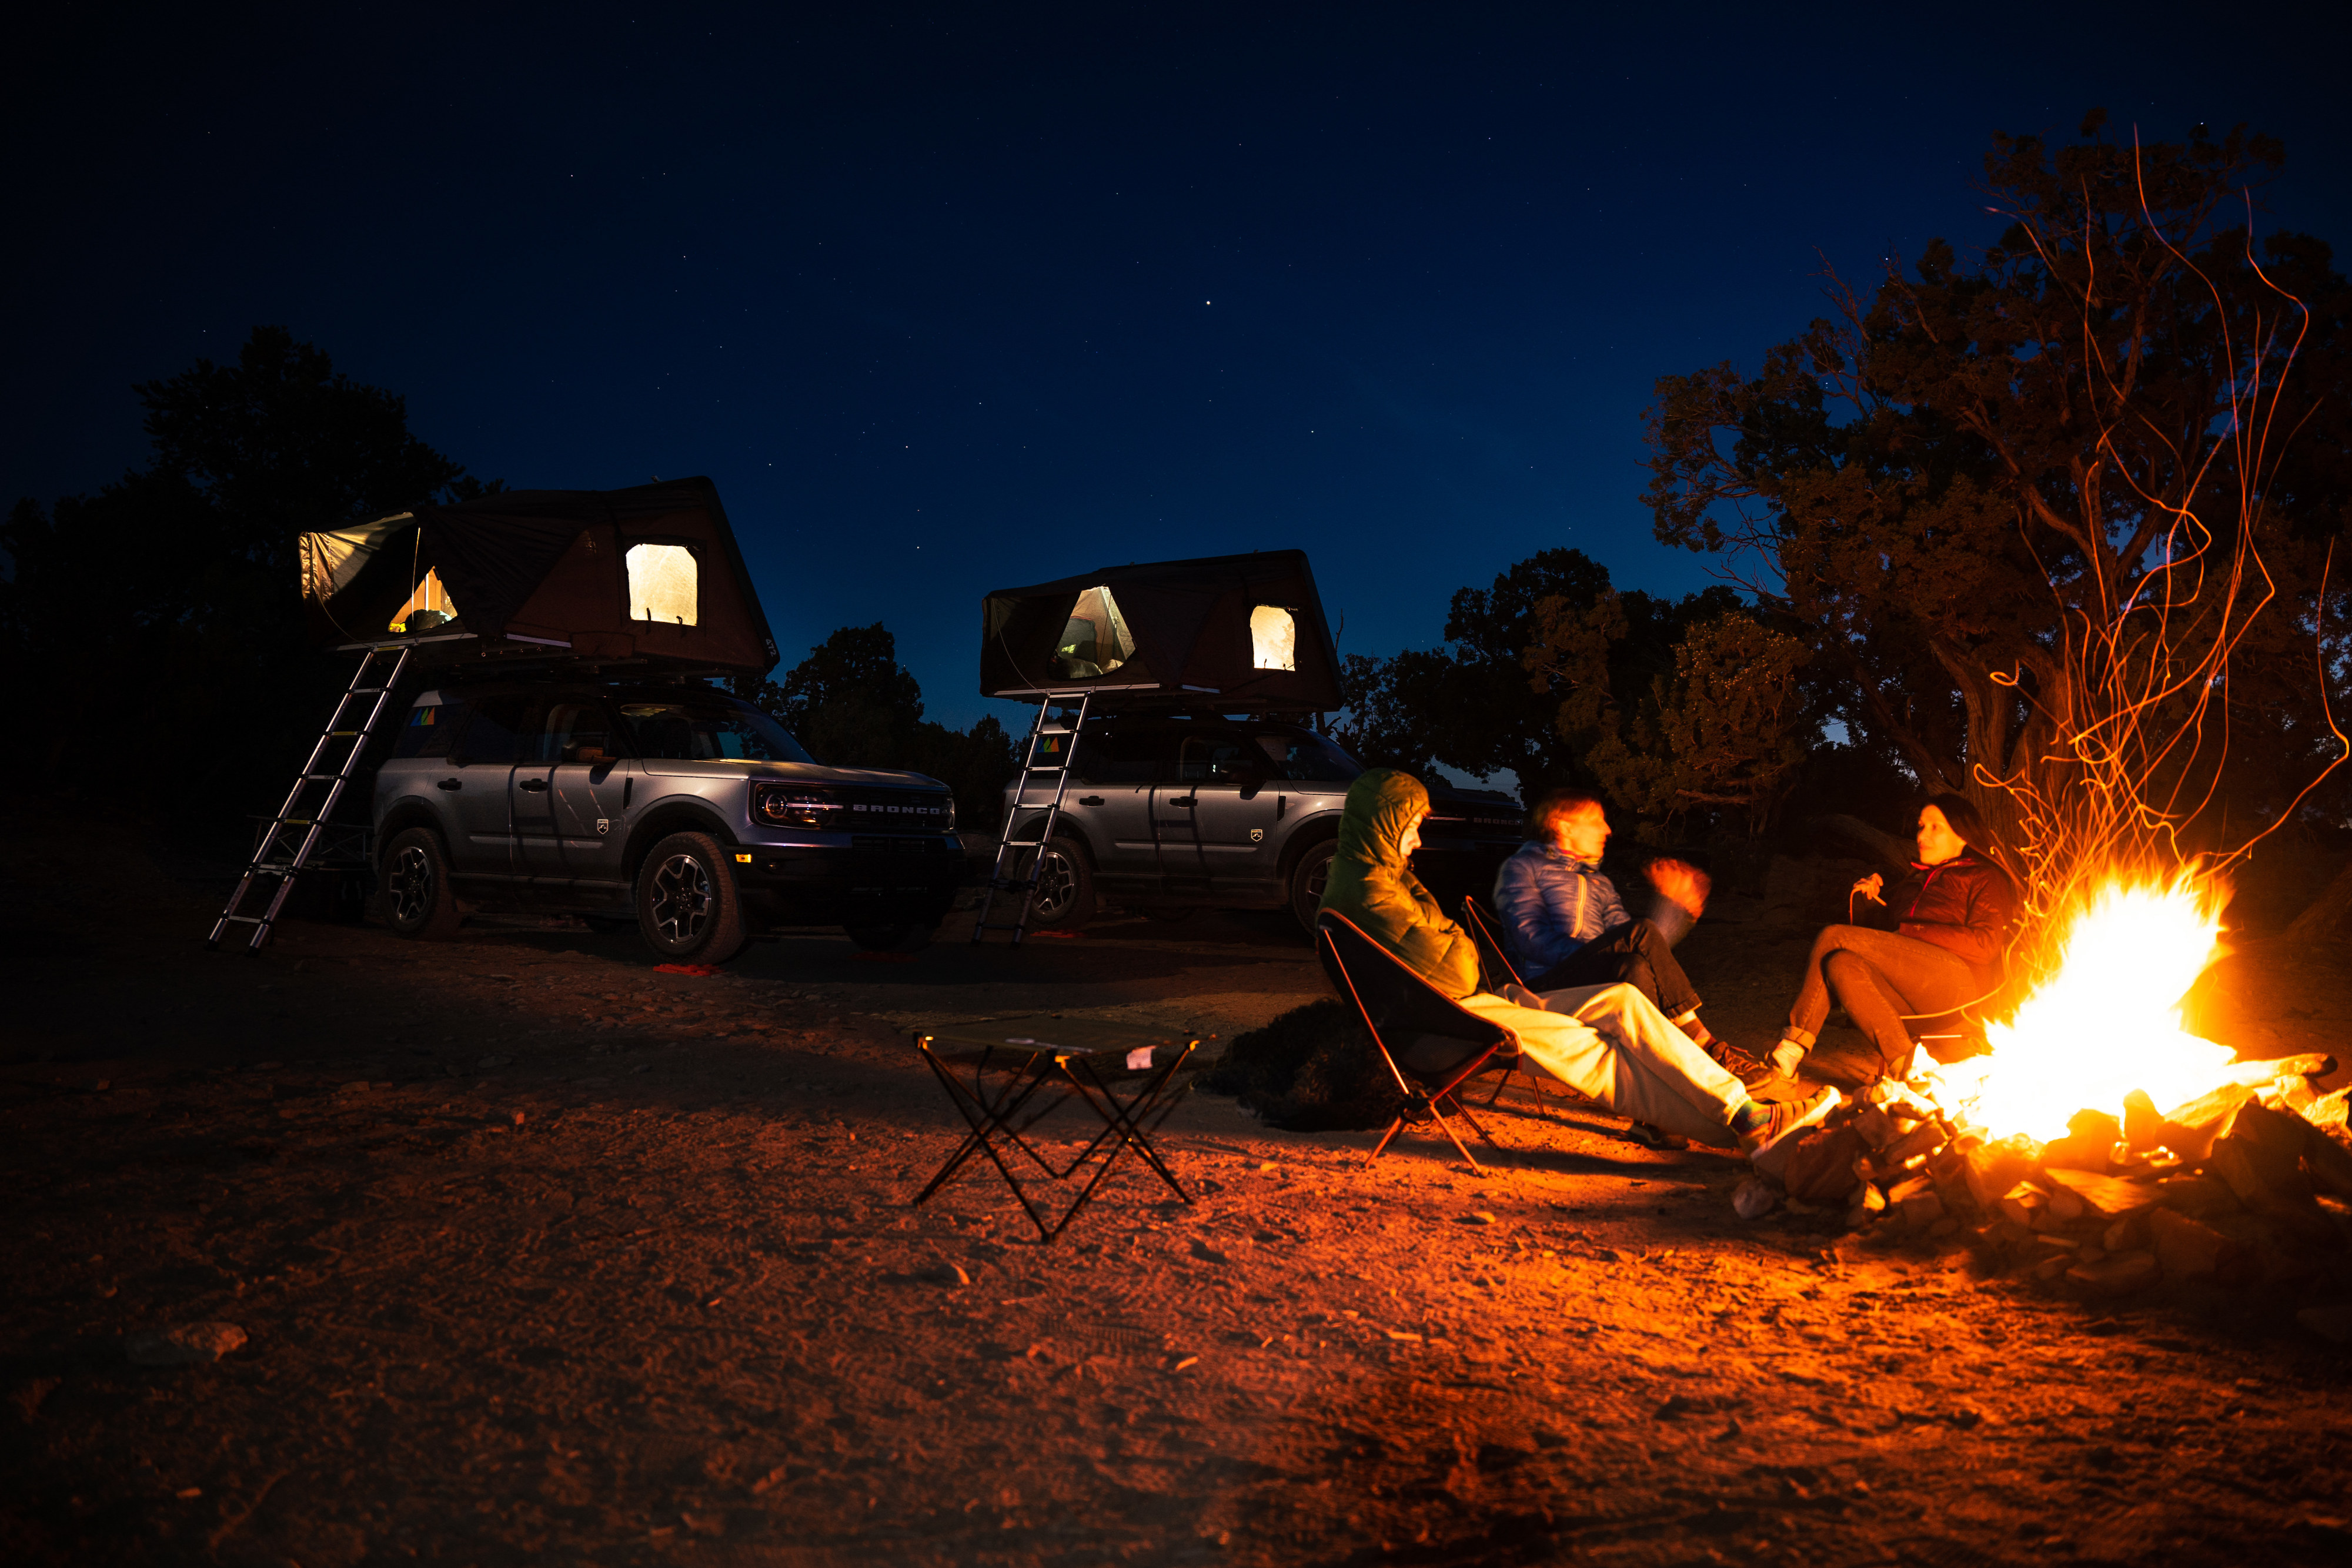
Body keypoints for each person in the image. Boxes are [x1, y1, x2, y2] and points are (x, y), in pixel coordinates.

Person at [1319, 768, 1837, 1158]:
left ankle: (1745, 1117)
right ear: (1384, 823)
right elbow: (1464, 966)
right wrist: (1605, 948)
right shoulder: (1371, 891)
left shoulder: (1382, 877)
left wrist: (1658, 922)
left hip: (1477, 1001)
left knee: (1627, 994)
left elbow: (1630, 939)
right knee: (1604, 1047)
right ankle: (1745, 1115)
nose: (1418, 838)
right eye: (1411, 825)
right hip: (1458, 1017)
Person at [1492, 788, 1760, 1076]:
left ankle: (1661, 1071)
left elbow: (1641, 945)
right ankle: (1703, 1045)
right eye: (1596, 821)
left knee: (1635, 965)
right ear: (1565, 826)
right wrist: (1596, 953)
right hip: (1542, 983)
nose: (1607, 829)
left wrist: (1673, 911)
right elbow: (1528, 938)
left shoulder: (1600, 883)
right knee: (1636, 939)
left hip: (1592, 975)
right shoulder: (1523, 867)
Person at [1766, 794, 2020, 1085]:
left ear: (1963, 835)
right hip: (1912, 993)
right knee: (1842, 964)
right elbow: (1885, 941)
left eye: (1935, 827)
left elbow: (1986, 944)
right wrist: (1870, 902)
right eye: (1921, 826)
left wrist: (1914, 931)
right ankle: (1907, 1068)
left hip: (1956, 987)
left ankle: (1790, 1050)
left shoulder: (1984, 876)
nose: (1922, 835)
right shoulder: (1914, 881)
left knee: (1833, 935)